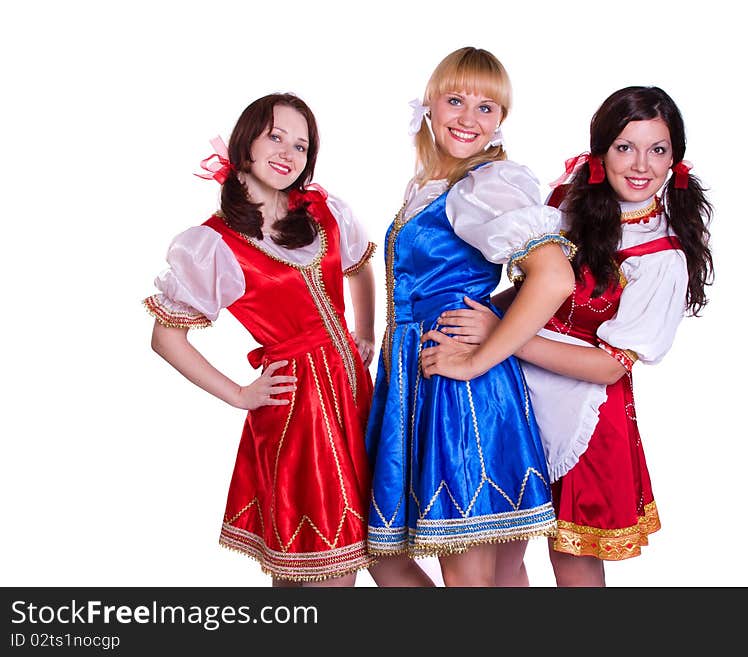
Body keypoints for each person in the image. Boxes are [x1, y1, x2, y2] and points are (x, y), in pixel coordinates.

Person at [432, 85, 714, 586]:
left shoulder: (663, 256)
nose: (641, 164)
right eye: (625, 146)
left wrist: (500, 336)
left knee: (574, 559)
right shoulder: (571, 194)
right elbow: (534, 285)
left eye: (658, 149)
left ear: (676, 158)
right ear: (601, 150)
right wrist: (469, 312)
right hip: (519, 392)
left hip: (587, 414)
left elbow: (610, 366)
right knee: (501, 544)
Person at [144, 93, 379, 586]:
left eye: (301, 144)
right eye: (276, 136)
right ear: (245, 142)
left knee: (383, 552)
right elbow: (167, 338)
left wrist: (365, 334)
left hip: (355, 394)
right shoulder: (216, 242)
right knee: (316, 565)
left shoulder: (324, 212)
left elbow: (359, 269)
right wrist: (240, 394)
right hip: (299, 410)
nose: (288, 153)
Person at [365, 46, 576, 588]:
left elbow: (552, 277)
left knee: (469, 575)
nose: (468, 118)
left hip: (461, 387)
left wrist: (482, 354)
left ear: (501, 121)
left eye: (487, 107)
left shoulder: (486, 186)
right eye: (456, 100)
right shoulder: (433, 186)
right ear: (430, 106)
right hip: (417, 377)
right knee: (393, 555)